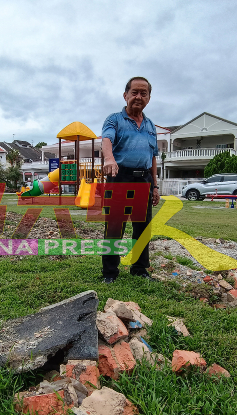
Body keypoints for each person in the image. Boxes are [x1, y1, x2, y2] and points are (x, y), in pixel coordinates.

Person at [101, 77, 160, 283]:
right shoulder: (114, 119)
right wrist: (109, 158)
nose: (138, 97)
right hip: (120, 177)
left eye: (143, 93)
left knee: (142, 227)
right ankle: (109, 273)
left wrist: (154, 185)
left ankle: (140, 269)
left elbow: (152, 157)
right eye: (134, 92)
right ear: (125, 95)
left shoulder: (151, 125)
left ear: (149, 98)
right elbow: (106, 139)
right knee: (115, 227)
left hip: (143, 179)